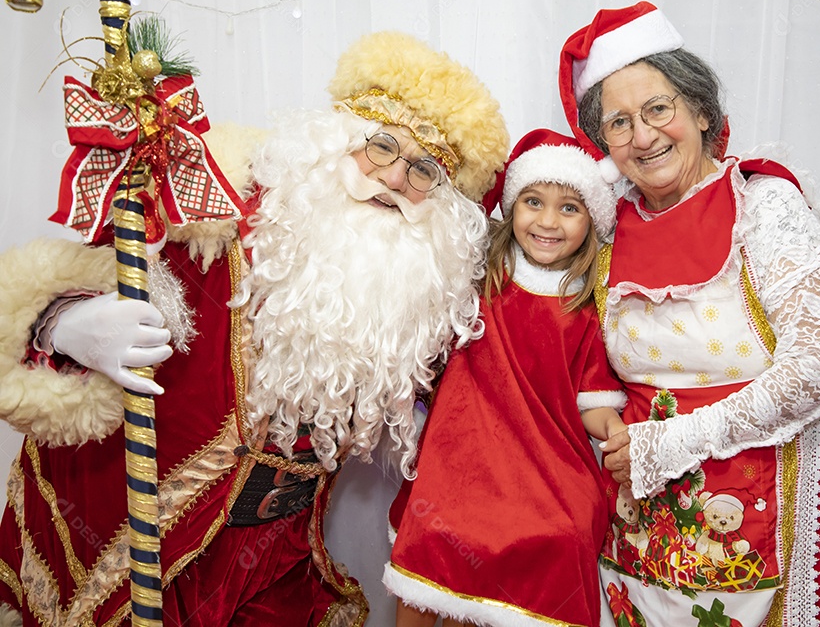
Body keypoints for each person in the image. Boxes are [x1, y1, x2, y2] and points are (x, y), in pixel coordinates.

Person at [0, 31, 507, 626]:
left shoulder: (423, 297)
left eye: (423, 170)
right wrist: (66, 323)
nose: (395, 179)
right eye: (382, 147)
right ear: (336, 141)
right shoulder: (221, 213)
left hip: (272, 564)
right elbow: (92, 271)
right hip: (128, 546)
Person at [558, 2, 820, 627]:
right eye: (619, 123)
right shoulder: (603, 226)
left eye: (659, 109)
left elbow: (817, 369)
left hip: (771, 499)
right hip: (642, 526)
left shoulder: (765, 205)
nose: (644, 136)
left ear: (702, 111)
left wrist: (673, 440)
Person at [384, 129, 629, 627]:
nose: (546, 221)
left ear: (593, 221)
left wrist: (621, 433)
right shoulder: (479, 275)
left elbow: (594, 402)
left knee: (561, 538)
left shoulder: (586, 307)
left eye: (569, 209)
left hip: (547, 466)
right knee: (434, 551)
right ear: (511, 206)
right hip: (459, 460)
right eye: (533, 202)